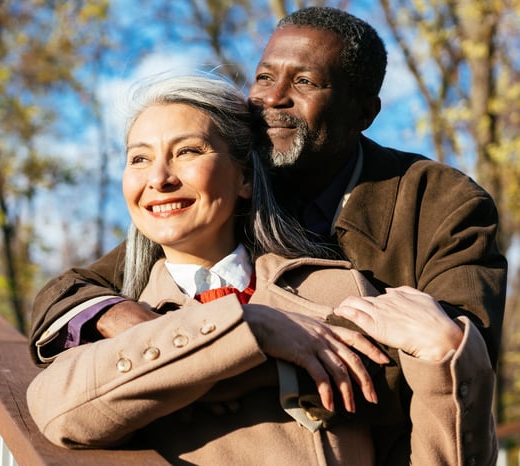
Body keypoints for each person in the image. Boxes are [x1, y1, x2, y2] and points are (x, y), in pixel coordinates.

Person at [27, 74, 498, 465]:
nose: (158, 178)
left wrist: (448, 358)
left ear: (247, 178)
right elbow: (56, 411)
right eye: (139, 158)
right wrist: (243, 325)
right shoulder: (116, 318)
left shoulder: (339, 288)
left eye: (187, 151)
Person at [28, 7, 506, 376]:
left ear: (365, 112)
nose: (272, 98)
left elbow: (458, 351)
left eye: (304, 81)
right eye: (263, 77)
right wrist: (132, 322)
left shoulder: (441, 202)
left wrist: (235, 355)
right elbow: (70, 292)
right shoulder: (223, 192)